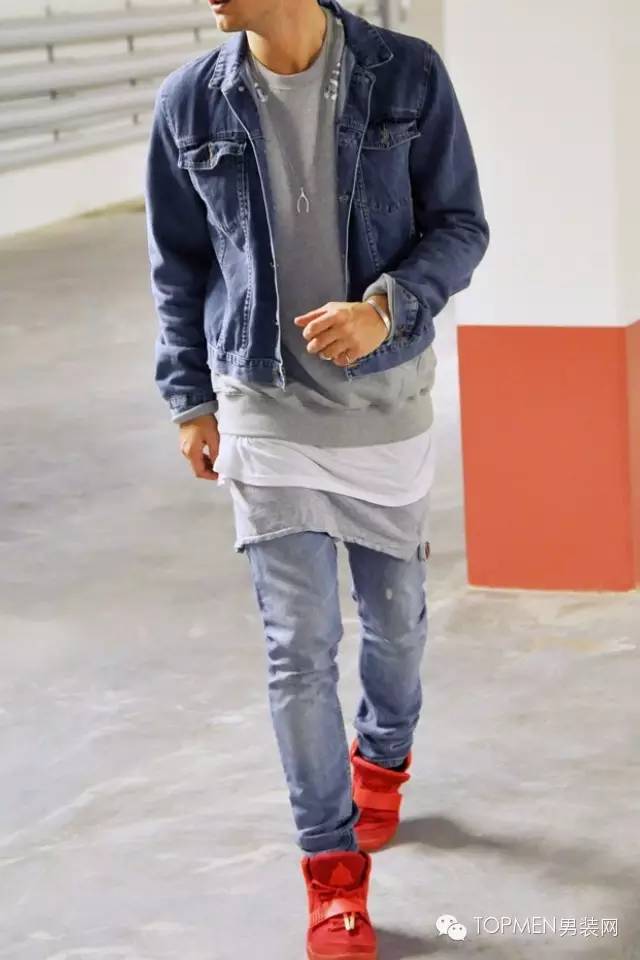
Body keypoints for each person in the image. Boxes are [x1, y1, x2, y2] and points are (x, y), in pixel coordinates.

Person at [144, 0, 489, 956]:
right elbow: (178, 265)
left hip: (383, 406)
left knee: (396, 627)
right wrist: (190, 398)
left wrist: (387, 308)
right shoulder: (190, 102)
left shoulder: (406, 74)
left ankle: (383, 753)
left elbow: (461, 225)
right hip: (263, 406)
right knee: (298, 646)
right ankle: (332, 875)